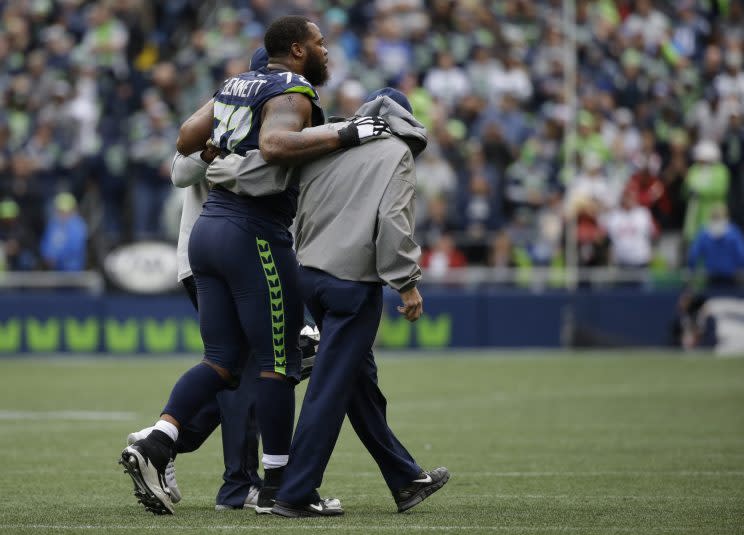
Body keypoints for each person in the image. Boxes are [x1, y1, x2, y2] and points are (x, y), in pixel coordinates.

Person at [120, 16, 391, 516]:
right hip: (254, 231)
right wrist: (348, 133)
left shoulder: (234, 84)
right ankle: (279, 488)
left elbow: (184, 137)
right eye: (319, 43)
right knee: (279, 363)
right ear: (296, 49)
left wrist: (222, 146)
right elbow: (274, 146)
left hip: (208, 233)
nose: (327, 51)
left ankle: (158, 439)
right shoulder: (294, 86)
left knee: (220, 363)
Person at [210, 88, 449, 518]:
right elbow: (394, 221)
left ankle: (405, 477)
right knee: (330, 388)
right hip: (353, 285)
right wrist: (407, 282)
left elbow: (265, 171)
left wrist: (219, 165)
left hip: (310, 277)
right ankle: (295, 492)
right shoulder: (396, 153)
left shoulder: (333, 135)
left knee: (359, 383)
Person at [687, 203, 744, 287]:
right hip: (731, 276)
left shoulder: (704, 233)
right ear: (726, 217)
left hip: (711, 276)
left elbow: (693, 254)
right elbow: (741, 254)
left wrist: (691, 269)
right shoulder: (733, 232)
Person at [40, 192, 87, 271]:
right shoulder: (53, 224)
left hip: (72, 270)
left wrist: (56, 258)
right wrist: (47, 256)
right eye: (60, 210)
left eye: (65, 211)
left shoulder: (78, 225)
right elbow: (45, 242)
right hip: (54, 270)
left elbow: (75, 248)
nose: (62, 214)